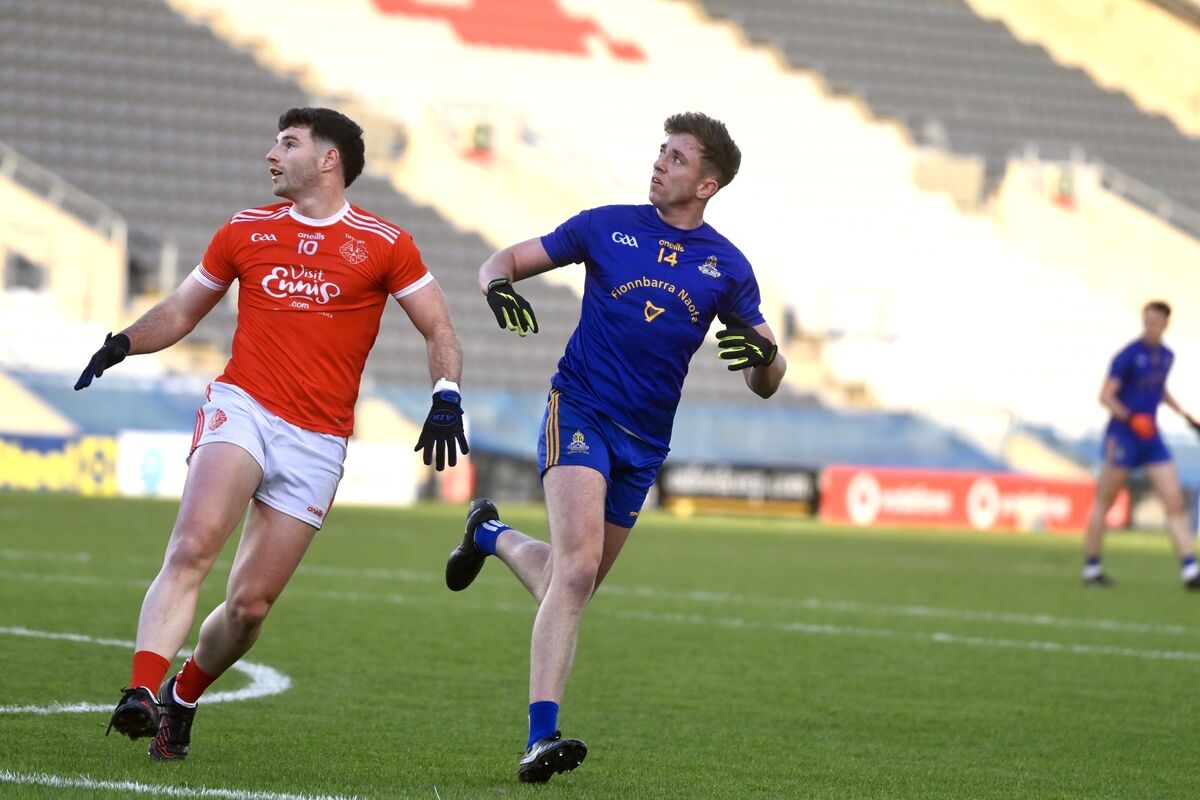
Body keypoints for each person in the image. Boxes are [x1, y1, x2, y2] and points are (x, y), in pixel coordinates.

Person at [76, 107, 468, 760]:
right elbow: (181, 308)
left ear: (329, 160)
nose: (271, 154)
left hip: (318, 439)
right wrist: (123, 343)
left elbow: (438, 326)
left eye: (287, 143)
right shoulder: (244, 229)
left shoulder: (386, 242)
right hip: (244, 407)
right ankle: (141, 691)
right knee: (194, 544)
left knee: (249, 609)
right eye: (273, 142)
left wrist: (446, 397)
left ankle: (183, 694)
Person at [444, 112, 787, 783]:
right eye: (660, 152)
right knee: (573, 574)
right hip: (580, 409)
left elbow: (766, 377)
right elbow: (505, 258)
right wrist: (496, 286)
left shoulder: (728, 266)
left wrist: (766, 358)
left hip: (645, 443)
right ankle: (541, 738)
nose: (660, 164)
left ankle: (488, 535)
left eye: (677, 158)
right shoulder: (605, 225)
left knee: (569, 582)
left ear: (708, 183)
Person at [1082, 300, 1200, 589]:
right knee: (1105, 501)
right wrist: (1131, 418)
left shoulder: (1167, 356)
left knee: (1173, 500)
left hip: (1151, 438)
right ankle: (1092, 567)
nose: (1149, 326)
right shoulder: (1127, 356)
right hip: (1123, 436)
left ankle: (1190, 569)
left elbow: (1159, 389)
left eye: (1154, 322)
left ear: (1165, 324)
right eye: (1146, 321)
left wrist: (1184, 414)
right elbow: (1106, 396)